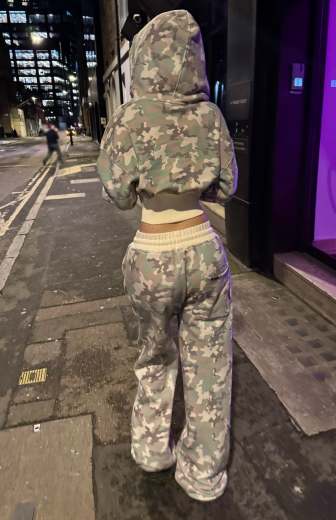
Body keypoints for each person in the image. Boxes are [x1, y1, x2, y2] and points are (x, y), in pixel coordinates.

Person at [97, 10, 238, 502]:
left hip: (151, 254)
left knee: (155, 356)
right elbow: (226, 187)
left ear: (144, 60)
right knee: (210, 368)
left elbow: (117, 194)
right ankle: (203, 474)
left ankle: (153, 449)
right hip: (203, 249)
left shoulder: (129, 118)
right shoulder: (211, 116)